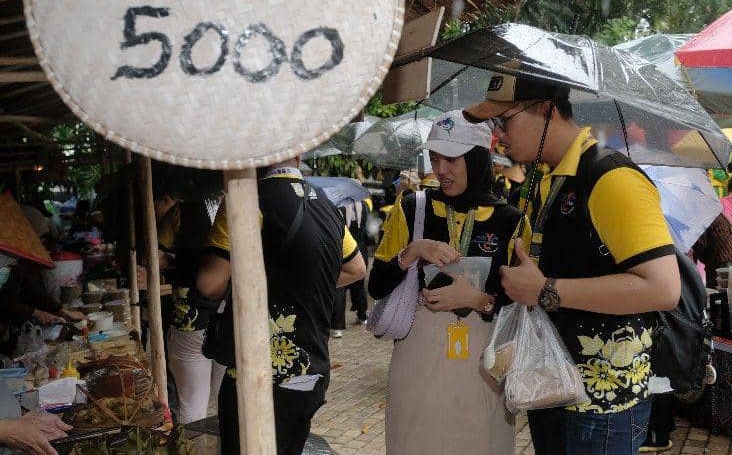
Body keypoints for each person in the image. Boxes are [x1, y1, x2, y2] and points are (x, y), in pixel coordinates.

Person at [464, 75, 680, 455]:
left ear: (547, 111)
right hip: (551, 384)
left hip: (602, 404)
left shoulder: (611, 178)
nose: (498, 136)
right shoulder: (544, 181)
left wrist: (547, 289)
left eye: (505, 121)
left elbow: (663, 289)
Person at [368, 110, 531, 455]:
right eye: (434, 157)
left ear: (476, 159)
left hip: (485, 364)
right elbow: (377, 287)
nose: (440, 169)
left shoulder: (511, 221)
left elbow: (523, 305)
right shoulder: (412, 208)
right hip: (417, 364)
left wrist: (479, 300)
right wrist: (411, 252)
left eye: (452, 158)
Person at [197, 156, 366, 455]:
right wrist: (303, 289)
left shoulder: (246, 201)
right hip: (311, 369)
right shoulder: (326, 204)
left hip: (258, 374)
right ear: (297, 156)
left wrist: (257, 294)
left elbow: (209, 283)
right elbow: (356, 269)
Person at [165, 200, 224, 425]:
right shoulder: (221, 243)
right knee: (225, 401)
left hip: (188, 326)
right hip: (222, 323)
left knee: (192, 405)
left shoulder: (180, 246)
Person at [330, 198, 371, 338]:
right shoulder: (365, 206)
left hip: (345, 248)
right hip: (361, 248)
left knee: (340, 289)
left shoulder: (339, 207)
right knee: (359, 284)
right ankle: (362, 315)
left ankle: (337, 326)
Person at [691, 214, 732, 289]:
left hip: (722, 259)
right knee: (730, 290)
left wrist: (691, 260)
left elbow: (701, 243)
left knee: (717, 291)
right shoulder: (714, 212)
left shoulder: (703, 216)